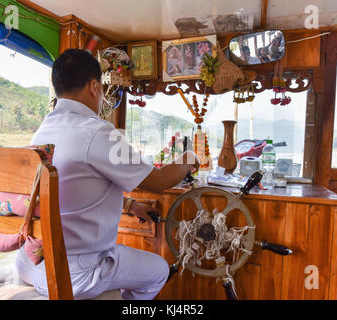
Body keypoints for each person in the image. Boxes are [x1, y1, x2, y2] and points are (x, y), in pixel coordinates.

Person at [15, 49, 199, 300]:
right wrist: (190, 158)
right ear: (94, 86)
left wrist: (130, 204)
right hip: (75, 272)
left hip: (31, 262)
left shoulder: (43, 131)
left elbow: (71, 191)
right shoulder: (98, 132)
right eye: (101, 88)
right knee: (158, 270)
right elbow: (157, 181)